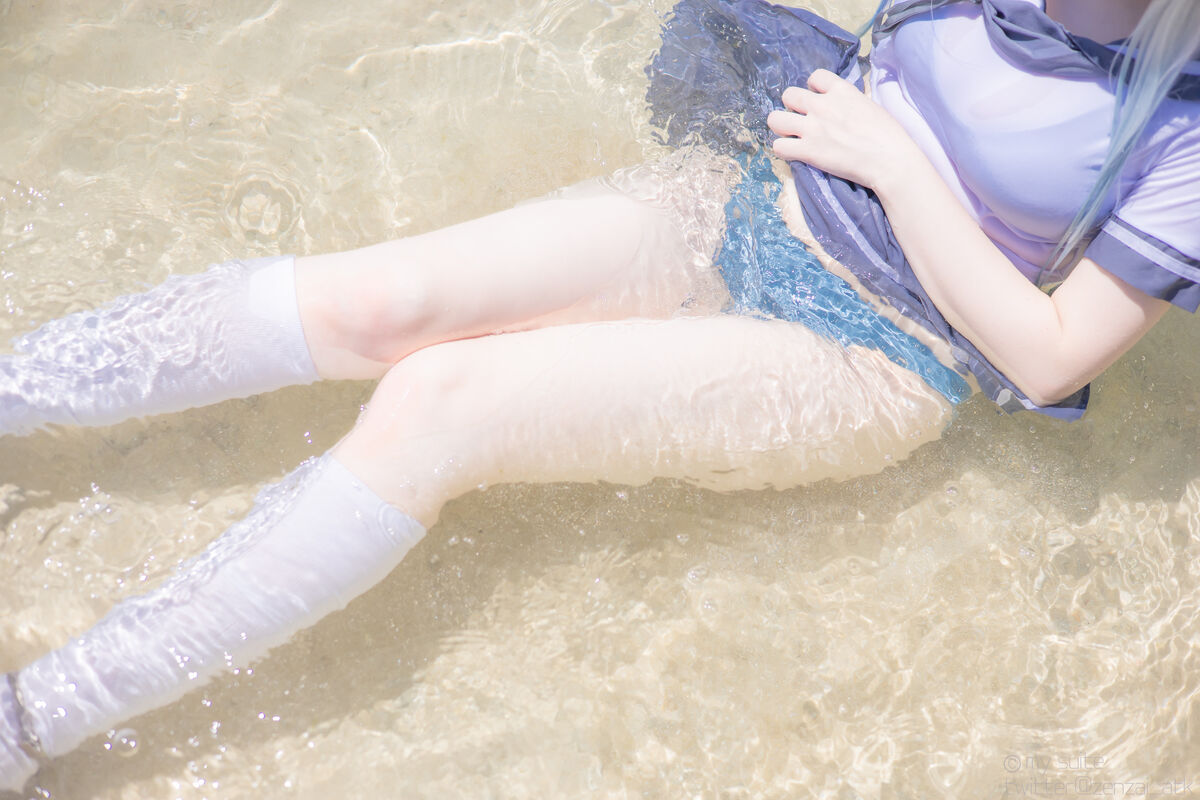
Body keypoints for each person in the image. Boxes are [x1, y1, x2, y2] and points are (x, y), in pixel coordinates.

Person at [2, 0, 1198, 789]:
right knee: (381, 300)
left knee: (441, 403)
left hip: (874, 351)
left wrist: (892, 162)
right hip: (737, 200)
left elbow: (1050, 356)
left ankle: (34, 719)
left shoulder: (1185, 124)